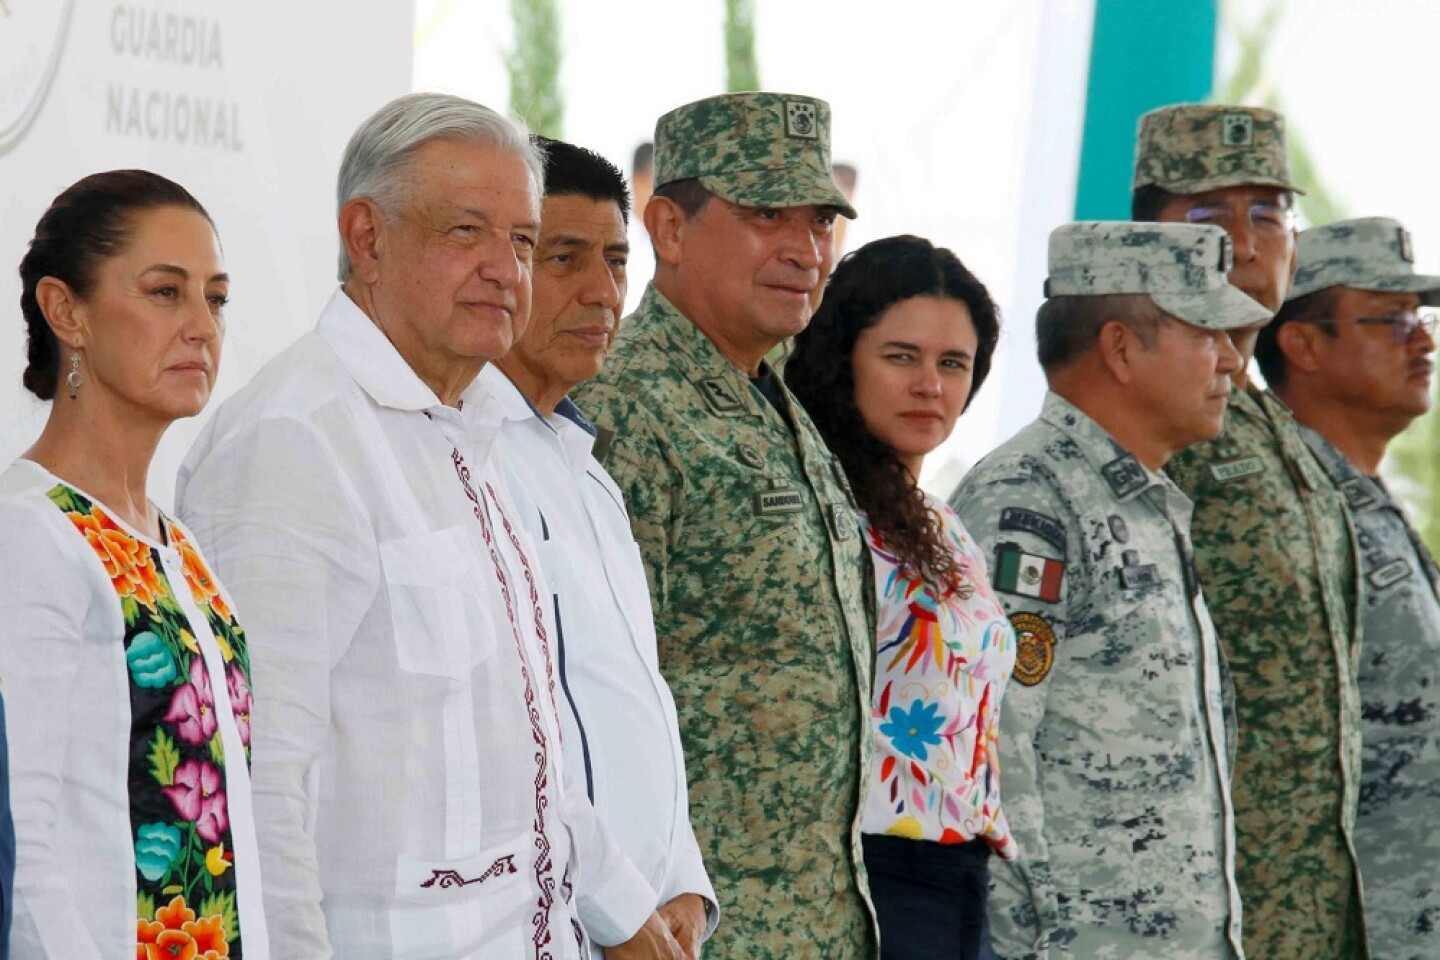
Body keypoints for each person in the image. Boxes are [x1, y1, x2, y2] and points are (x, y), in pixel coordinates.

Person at [176, 93, 667, 959]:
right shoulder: (295, 438)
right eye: (466, 232)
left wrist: (625, 910)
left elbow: (534, 725)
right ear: (366, 238)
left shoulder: (477, 425)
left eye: (520, 240)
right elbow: (256, 787)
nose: (504, 269)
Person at [573, 92, 878, 957]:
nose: (805, 249)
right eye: (763, 214)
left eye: (820, 220)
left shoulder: (775, 396)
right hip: (687, 925)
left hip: (814, 920)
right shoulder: (627, 405)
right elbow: (593, 693)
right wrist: (629, 909)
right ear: (668, 226)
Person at [951, 221, 1262, 958]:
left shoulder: (1140, 501)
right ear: (1121, 347)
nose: (1231, 364)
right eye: (1205, 333)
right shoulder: (1029, 499)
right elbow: (993, 745)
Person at [0, 170, 268, 955]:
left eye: (215, 298)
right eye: (164, 292)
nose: (202, 327)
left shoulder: (174, 543)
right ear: (65, 311)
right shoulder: (28, 533)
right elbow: (22, 842)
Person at [1132, 103, 1367, 959]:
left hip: (1310, 900)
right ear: (1146, 235)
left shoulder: (1273, 427)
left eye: (1268, 213)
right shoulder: (1142, 408)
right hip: (1196, 907)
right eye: (1208, 215)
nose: (1246, 239)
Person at [483, 135, 718, 959]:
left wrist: (682, 876)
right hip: (552, 922)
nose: (602, 291)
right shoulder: (468, 457)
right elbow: (521, 724)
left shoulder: (586, 468)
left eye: (617, 261)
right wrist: (623, 909)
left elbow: (633, 699)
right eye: (564, 258)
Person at [785, 235, 1015, 960]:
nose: (931, 385)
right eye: (901, 356)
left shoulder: (942, 523)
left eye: (953, 363)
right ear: (843, 356)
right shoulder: (816, 509)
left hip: (963, 874)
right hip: (873, 873)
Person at [1254, 217, 1440, 958]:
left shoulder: (1366, 497)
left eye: (1419, 318)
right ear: (1302, 343)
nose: (1422, 340)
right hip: (1346, 927)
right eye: (1391, 320)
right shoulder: (1280, 505)